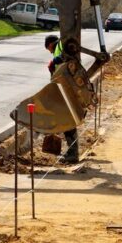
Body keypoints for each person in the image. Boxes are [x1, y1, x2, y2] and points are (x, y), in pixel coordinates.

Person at [44, 35, 79, 163]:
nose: (51, 52)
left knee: (68, 120)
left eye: (49, 50)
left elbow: (66, 56)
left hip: (67, 88)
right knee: (67, 120)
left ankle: (73, 153)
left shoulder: (60, 46)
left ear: (51, 44)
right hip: (64, 88)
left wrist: (54, 61)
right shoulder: (60, 46)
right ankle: (72, 151)